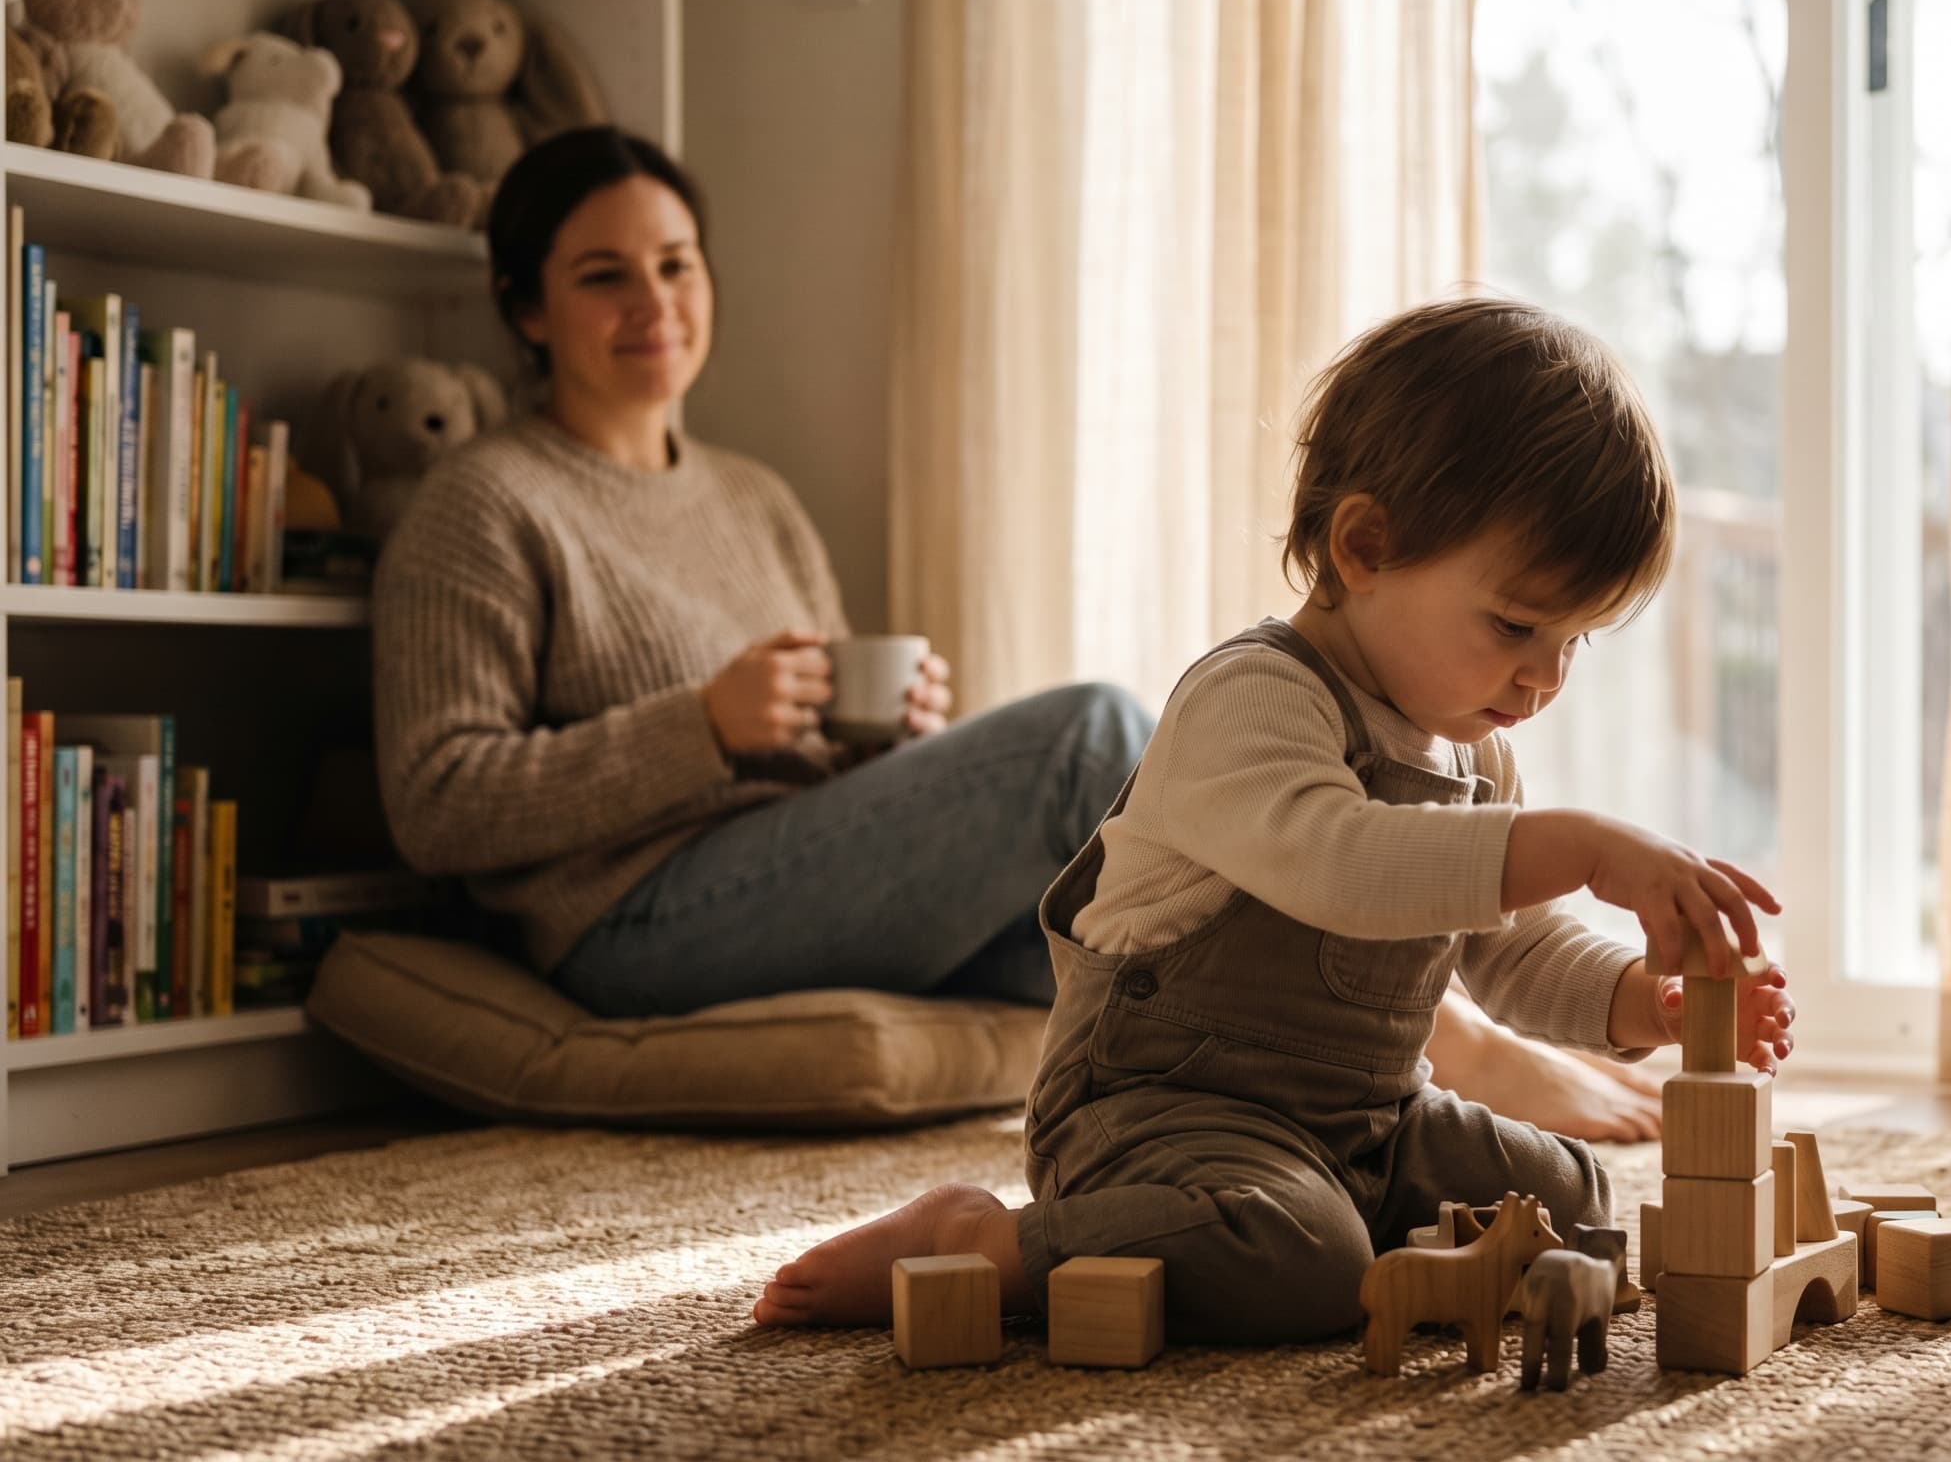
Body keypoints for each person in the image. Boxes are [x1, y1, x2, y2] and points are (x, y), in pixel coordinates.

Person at [753, 297, 1797, 1342]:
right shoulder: (1252, 699)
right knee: (1298, 1260)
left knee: (1568, 1202)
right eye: (1519, 623)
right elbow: (1344, 868)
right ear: (1363, 547)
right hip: (1162, 1111)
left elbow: (1510, 947)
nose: (1545, 675)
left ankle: (1336, 1221)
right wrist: (1578, 845)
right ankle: (990, 1242)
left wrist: (1642, 1002)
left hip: (1367, 1121)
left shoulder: (1473, 750)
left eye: (1578, 640)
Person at [372, 126, 1152, 1014]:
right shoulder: (482, 502)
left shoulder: (754, 498)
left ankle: (1297, 1089)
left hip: (799, 883)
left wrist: (878, 740)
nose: (655, 302)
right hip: (630, 923)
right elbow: (436, 804)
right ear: (528, 311)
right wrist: (700, 728)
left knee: (1102, 941)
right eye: (604, 276)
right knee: (1085, 737)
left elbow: (816, 756)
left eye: (676, 266)